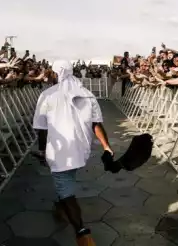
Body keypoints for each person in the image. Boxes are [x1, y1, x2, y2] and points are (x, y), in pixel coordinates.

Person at [33, 60, 113, 246]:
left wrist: (42, 150)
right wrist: (106, 146)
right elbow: (96, 124)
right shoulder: (86, 94)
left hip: (59, 152)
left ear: (56, 73)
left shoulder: (47, 95)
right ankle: (60, 207)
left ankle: (82, 233)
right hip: (80, 150)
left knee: (66, 190)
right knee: (66, 182)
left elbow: (42, 129)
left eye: (51, 73)